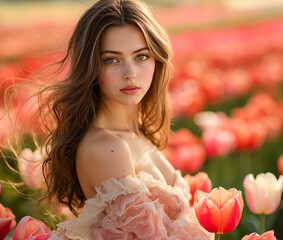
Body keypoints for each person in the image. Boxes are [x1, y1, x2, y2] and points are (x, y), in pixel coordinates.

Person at [24, 0, 213, 239]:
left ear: (157, 59)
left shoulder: (139, 134)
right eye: (111, 59)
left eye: (141, 56)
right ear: (91, 67)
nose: (130, 73)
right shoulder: (108, 148)